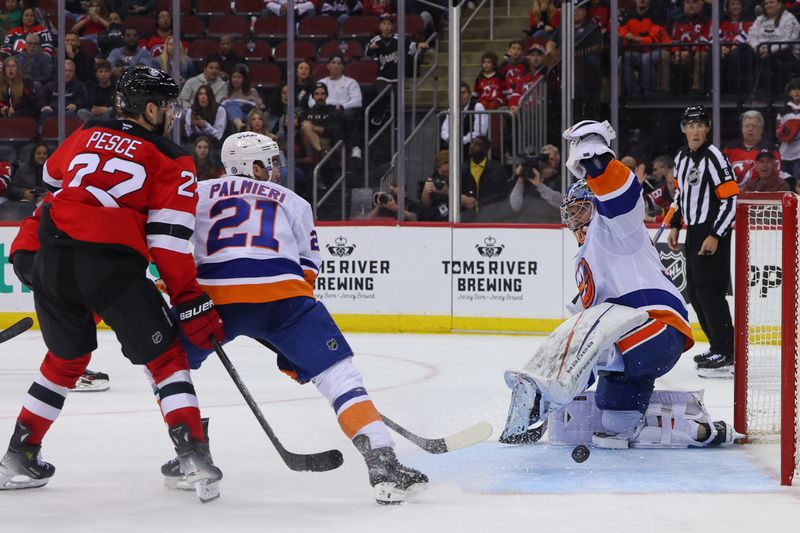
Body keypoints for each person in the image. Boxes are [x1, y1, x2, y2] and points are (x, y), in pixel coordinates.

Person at [159, 131, 427, 504]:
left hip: (211, 298)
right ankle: (384, 463)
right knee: (337, 374)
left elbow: (167, 245)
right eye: (270, 163)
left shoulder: (196, 194)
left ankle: (193, 452)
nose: (277, 171)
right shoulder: (293, 201)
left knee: (163, 363)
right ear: (251, 166)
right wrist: (290, 339)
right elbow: (307, 269)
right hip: (282, 295)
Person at [0, 65, 225, 500]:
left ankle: (18, 456)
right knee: (165, 359)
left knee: (66, 360)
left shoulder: (87, 131)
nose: (172, 113)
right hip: (108, 265)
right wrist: (189, 299)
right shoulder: (172, 158)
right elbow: (168, 241)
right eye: (168, 105)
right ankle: (192, 455)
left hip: (48, 257)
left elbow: (53, 185)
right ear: (151, 107)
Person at [499, 119, 738, 451]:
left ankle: (543, 397)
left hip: (658, 330)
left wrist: (592, 157)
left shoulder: (617, 229)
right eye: (572, 213)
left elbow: (621, 194)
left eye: (584, 209)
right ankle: (701, 430)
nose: (578, 221)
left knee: (586, 336)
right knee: (614, 427)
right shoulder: (584, 262)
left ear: (597, 208)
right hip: (628, 355)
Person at [668, 106, 739, 378]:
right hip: (693, 231)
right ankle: (717, 346)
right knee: (696, 293)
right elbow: (680, 197)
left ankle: (727, 351)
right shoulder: (681, 158)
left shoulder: (715, 158)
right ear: (684, 129)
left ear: (707, 128)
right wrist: (675, 224)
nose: (695, 130)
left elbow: (731, 199)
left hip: (712, 232)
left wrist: (716, 234)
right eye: (690, 125)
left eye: (700, 125)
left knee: (710, 292)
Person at [316, 54, 363, 159]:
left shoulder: (351, 82)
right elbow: (311, 100)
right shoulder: (321, 82)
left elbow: (358, 101)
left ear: (343, 67)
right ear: (328, 66)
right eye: (333, 63)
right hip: (325, 111)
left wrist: (341, 106)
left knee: (348, 114)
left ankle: (355, 147)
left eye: (339, 63)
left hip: (343, 112)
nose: (336, 66)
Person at [723, 109, 780, 188]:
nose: (750, 129)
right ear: (742, 128)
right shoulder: (730, 148)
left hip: (760, 194)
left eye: (754, 126)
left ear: (761, 130)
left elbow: (775, 178)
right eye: (747, 126)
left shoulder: (770, 150)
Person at [460, 135, 510, 222]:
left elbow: (504, 192)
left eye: (477, 144)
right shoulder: (462, 168)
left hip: (492, 216)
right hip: (467, 216)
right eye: (471, 143)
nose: (472, 146)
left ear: (485, 149)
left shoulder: (497, 169)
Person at [508, 157, 562, 222]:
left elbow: (561, 203)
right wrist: (520, 179)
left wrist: (539, 185)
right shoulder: (523, 184)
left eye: (552, 159)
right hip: (525, 225)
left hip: (549, 225)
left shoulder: (558, 181)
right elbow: (515, 206)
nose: (549, 163)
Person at [440, 82, 488, 155]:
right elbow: (444, 130)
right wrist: (450, 139)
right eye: (457, 93)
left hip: (472, 146)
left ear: (470, 95)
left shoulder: (477, 106)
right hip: (453, 145)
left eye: (463, 93)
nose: (460, 96)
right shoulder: (451, 109)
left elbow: (480, 131)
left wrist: (462, 140)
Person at [301, 82, 344, 163]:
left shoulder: (333, 110)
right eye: (317, 94)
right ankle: (321, 151)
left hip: (328, 141)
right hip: (309, 144)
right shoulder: (306, 113)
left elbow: (337, 129)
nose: (320, 97)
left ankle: (321, 151)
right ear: (313, 96)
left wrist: (316, 128)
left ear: (327, 95)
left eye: (323, 94)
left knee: (306, 127)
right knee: (305, 126)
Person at [39, 58, 88, 124]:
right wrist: (44, 106)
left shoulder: (80, 86)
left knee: (70, 113)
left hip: (69, 110)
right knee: (45, 112)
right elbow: (41, 99)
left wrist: (75, 105)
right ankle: (41, 132)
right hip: (52, 109)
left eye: (70, 71)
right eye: (65, 70)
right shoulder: (50, 85)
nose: (67, 73)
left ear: (74, 72)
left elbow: (83, 99)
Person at [776, 77, 800, 186]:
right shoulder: (783, 111)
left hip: (799, 154)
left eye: (799, 88)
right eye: (793, 89)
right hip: (785, 154)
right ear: (789, 92)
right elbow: (778, 133)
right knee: (786, 184)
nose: (796, 91)